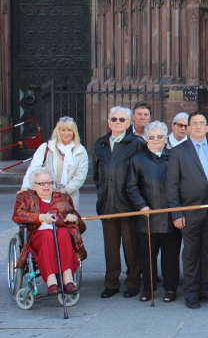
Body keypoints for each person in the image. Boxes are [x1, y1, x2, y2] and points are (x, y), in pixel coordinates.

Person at [166, 112, 208, 309]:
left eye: (202, 123)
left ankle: (205, 289)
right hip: (189, 212)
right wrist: (176, 213)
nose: (198, 127)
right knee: (191, 253)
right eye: (194, 124)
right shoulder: (178, 152)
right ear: (188, 128)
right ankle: (191, 292)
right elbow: (172, 186)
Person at [94, 106, 146, 299]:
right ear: (108, 122)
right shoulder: (100, 144)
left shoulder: (137, 143)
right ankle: (111, 283)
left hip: (129, 203)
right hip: (107, 203)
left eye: (121, 120)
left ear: (128, 123)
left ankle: (133, 281)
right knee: (111, 248)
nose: (117, 122)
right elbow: (96, 175)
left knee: (132, 247)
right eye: (114, 119)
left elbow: (141, 173)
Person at [126, 121, 181, 303]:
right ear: (146, 139)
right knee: (147, 256)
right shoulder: (137, 159)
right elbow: (132, 187)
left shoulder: (174, 156)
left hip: (170, 214)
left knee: (170, 255)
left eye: (159, 136)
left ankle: (171, 288)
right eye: (151, 137)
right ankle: (148, 288)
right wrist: (141, 205)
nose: (156, 140)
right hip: (148, 216)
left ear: (166, 138)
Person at [14, 167, 86, 296]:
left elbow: (78, 220)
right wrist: (41, 217)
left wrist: (74, 218)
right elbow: (18, 215)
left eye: (49, 182)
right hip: (37, 236)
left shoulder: (63, 198)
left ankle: (68, 279)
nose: (46, 186)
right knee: (47, 235)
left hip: (60, 235)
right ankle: (51, 281)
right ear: (34, 185)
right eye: (41, 183)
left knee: (64, 233)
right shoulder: (25, 197)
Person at [21, 116, 88, 209]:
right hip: (45, 196)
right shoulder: (45, 148)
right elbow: (33, 169)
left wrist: (64, 191)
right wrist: (26, 188)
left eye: (69, 130)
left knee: (66, 222)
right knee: (46, 222)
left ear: (74, 132)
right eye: (63, 130)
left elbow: (80, 177)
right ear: (58, 131)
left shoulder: (80, 151)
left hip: (69, 198)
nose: (66, 133)